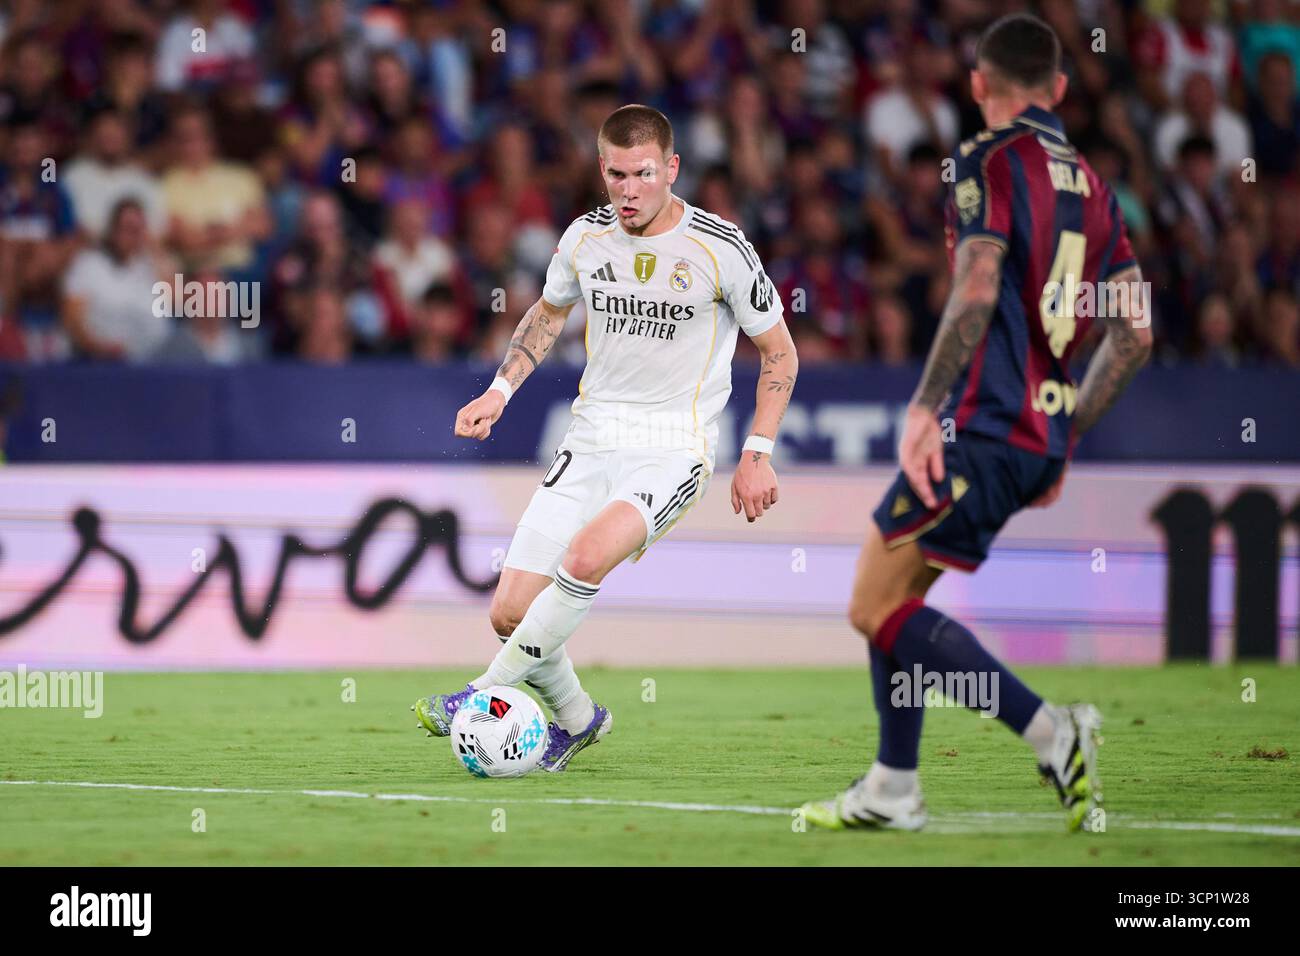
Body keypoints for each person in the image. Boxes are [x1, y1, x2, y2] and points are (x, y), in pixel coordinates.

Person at [801, 13, 1152, 832]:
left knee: (870, 604)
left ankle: (1050, 727)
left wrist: (925, 407)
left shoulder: (984, 160)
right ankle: (893, 786)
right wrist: (1067, 425)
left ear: (978, 86)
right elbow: (1135, 332)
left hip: (982, 423)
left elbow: (978, 284)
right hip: (1034, 437)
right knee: (900, 593)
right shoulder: (1099, 190)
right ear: (1060, 89)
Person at [412, 104, 798, 772]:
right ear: (602, 169)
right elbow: (547, 314)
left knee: (585, 560)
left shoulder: (721, 247)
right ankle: (579, 720)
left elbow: (780, 355)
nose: (627, 190)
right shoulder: (584, 239)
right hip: (589, 439)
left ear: (671, 169)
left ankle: (483, 692)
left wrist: (757, 454)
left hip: (673, 445)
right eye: (615, 174)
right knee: (510, 611)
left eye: (643, 174)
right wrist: (498, 393)